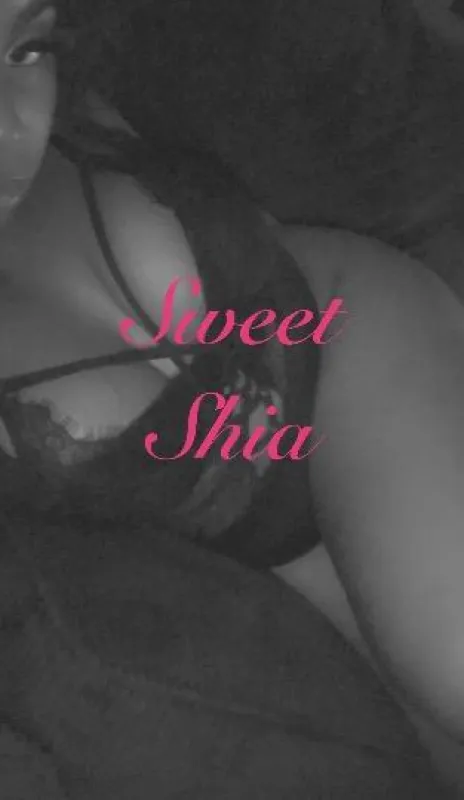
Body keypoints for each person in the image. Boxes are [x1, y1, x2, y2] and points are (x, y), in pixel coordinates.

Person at [0, 0, 463, 796]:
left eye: (25, 49)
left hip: (352, 336)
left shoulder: (95, 97)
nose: (14, 127)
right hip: (277, 564)